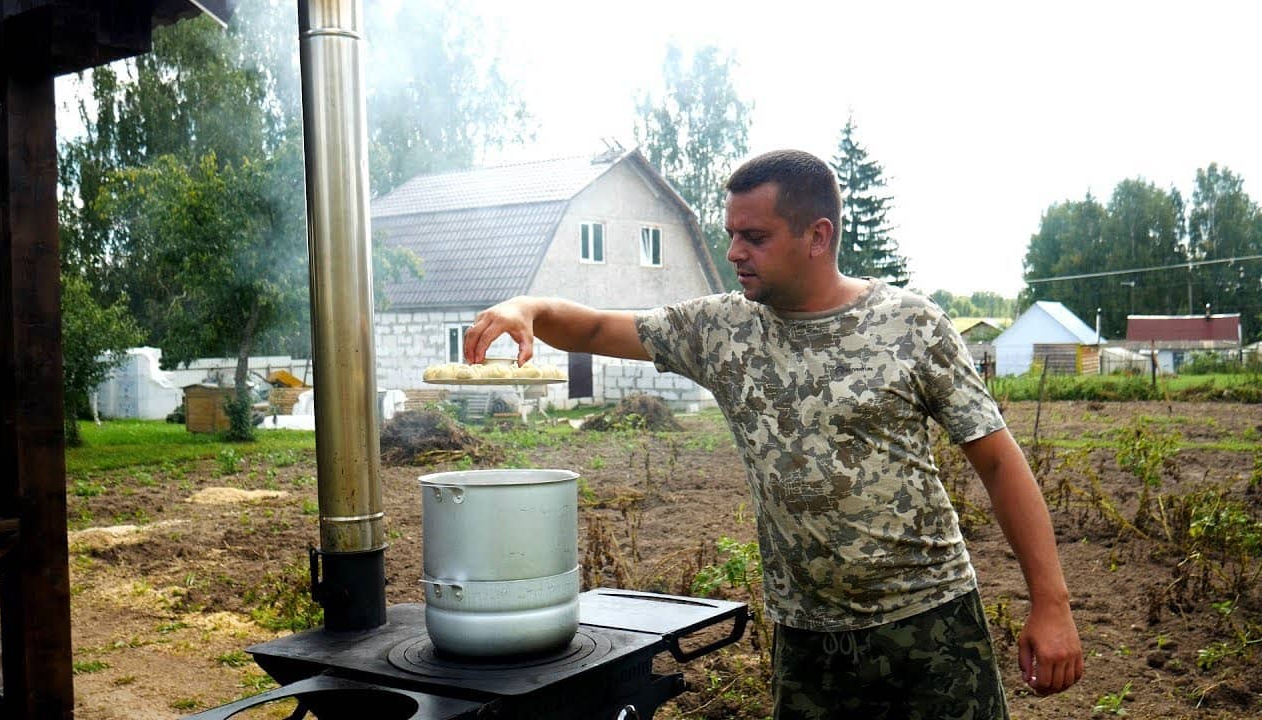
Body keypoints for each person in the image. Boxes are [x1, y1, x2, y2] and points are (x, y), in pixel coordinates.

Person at [464, 149, 1083, 719]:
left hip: (929, 624)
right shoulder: (722, 330)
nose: (734, 251)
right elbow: (598, 329)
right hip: (806, 641)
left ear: (818, 236)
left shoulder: (911, 326)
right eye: (731, 233)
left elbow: (1000, 464)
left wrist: (1051, 604)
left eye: (754, 237)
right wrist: (531, 309)